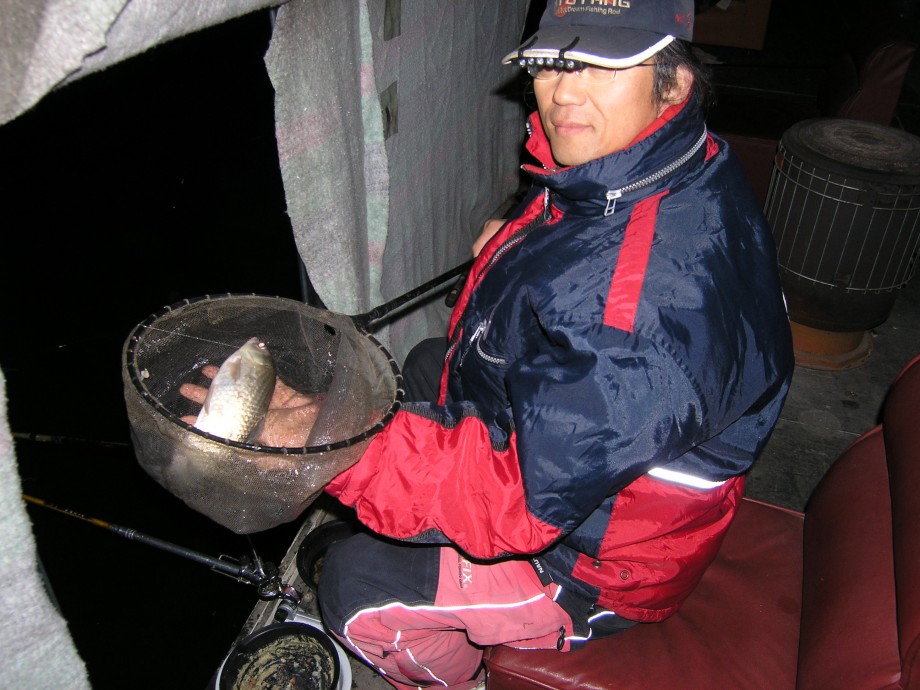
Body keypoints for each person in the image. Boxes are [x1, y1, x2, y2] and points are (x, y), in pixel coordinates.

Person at [186, 2, 793, 688]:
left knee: (354, 585)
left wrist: (324, 440)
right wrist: (514, 235)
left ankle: (456, 674)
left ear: (674, 83)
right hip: (593, 454)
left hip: (594, 562)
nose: (563, 93)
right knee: (425, 364)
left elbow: (518, 499)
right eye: (552, 63)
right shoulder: (672, 163)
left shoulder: (642, 322)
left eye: (603, 65)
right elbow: (590, 238)